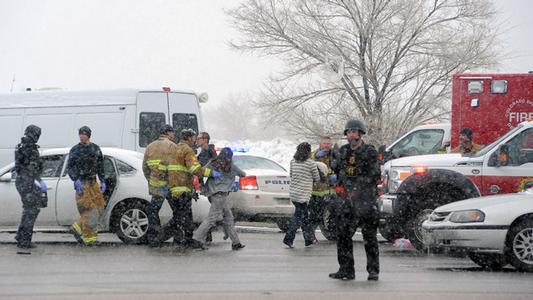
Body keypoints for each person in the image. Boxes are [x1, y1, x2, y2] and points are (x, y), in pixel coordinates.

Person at [329, 119, 380, 281]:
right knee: (342, 235)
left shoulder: (369, 151)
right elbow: (338, 172)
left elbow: (374, 174)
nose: (351, 134)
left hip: (365, 201)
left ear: (360, 133)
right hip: (347, 202)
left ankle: (373, 270)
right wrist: (334, 163)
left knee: (369, 237)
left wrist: (357, 187)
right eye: (349, 132)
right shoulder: (343, 151)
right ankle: (346, 269)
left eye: (354, 131)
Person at [161, 128, 220, 247]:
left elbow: (163, 167)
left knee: (179, 217)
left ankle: (177, 240)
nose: (195, 141)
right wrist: (210, 173)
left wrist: (165, 184)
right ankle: (185, 240)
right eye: (193, 138)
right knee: (185, 217)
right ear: (188, 138)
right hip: (182, 189)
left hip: (173, 189)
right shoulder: (188, 150)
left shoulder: (174, 149)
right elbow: (195, 169)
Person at [191, 147, 246, 250]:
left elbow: (202, 172)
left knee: (228, 218)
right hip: (220, 195)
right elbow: (243, 174)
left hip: (213, 194)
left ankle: (236, 242)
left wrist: (207, 181)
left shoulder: (213, 163)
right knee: (212, 218)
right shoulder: (231, 166)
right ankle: (196, 239)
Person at [67, 126, 106, 246]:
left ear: (89, 135)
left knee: (99, 208)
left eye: (84, 134)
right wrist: (75, 179)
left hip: (93, 182)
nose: (82, 136)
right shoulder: (75, 150)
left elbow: (100, 165)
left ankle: (87, 235)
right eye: (80, 134)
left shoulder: (95, 149)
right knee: (89, 210)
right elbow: (70, 167)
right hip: (82, 184)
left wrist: (102, 180)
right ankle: (83, 233)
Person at [14, 125, 47, 249]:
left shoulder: (21, 146)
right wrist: (39, 180)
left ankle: (20, 235)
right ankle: (25, 241)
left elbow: (21, 166)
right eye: (37, 134)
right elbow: (32, 168)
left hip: (22, 180)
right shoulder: (30, 147)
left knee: (28, 210)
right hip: (28, 181)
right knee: (31, 211)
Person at [142, 124, 176, 247]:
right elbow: (176, 168)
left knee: (153, 211)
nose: (174, 135)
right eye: (173, 132)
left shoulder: (150, 147)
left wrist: (151, 180)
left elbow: (145, 167)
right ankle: (173, 235)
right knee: (178, 212)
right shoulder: (172, 146)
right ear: (168, 133)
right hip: (170, 186)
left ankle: (154, 237)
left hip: (156, 186)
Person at [283, 142, 320, 248]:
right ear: (308, 151)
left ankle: (309, 240)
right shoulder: (310, 163)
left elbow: (291, 174)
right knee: (298, 217)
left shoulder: (293, 161)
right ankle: (288, 239)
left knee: (305, 218)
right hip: (303, 194)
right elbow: (317, 178)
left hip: (294, 193)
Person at [309, 136, 337, 241]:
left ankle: (332, 233)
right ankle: (310, 235)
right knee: (316, 215)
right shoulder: (314, 154)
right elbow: (310, 161)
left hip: (331, 191)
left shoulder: (334, 155)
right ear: (320, 144)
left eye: (328, 144)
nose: (326, 145)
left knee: (332, 214)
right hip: (318, 191)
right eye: (324, 143)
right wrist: (316, 156)